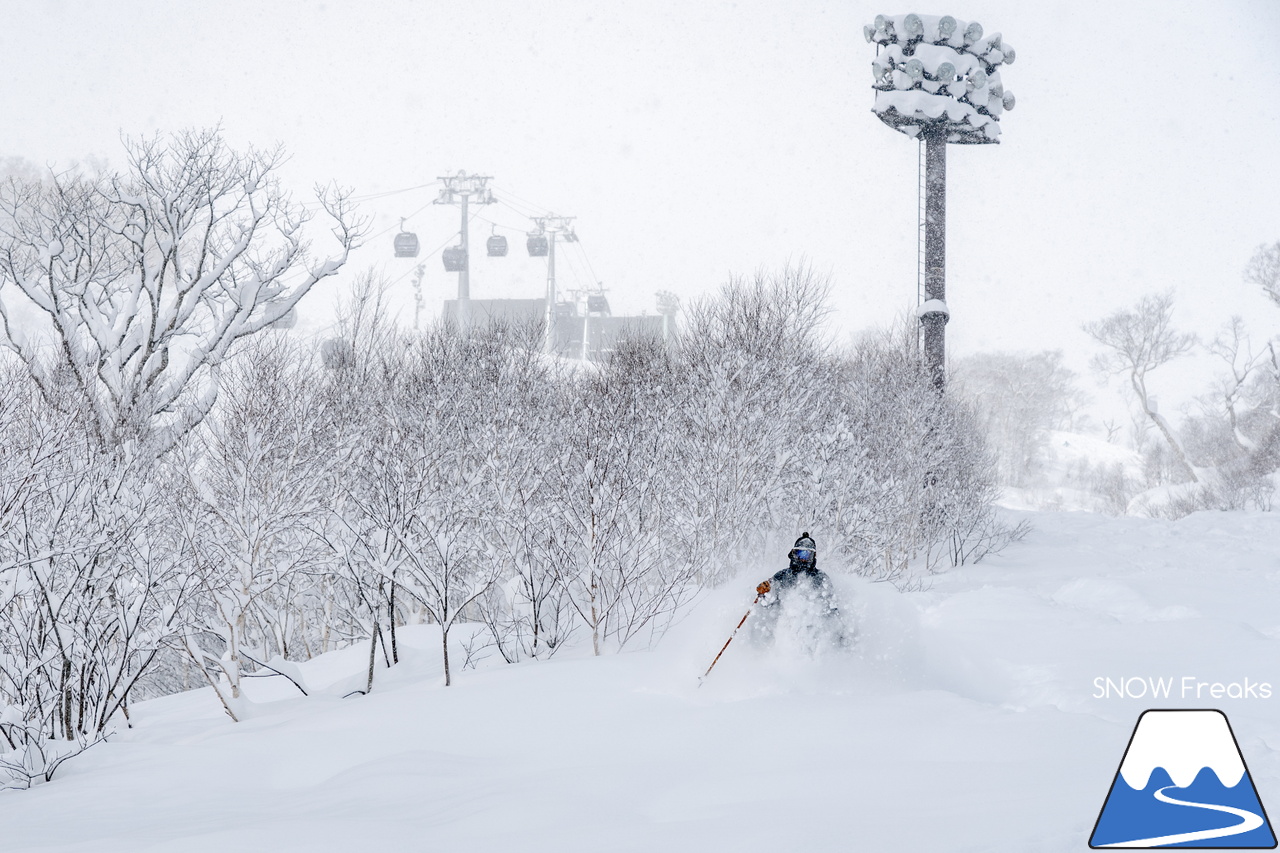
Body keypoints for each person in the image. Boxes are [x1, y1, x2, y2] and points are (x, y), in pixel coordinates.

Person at [752, 532, 846, 647]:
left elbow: (832, 608)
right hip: (784, 634)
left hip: (813, 637)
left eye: (807, 555)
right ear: (793, 553)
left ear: (813, 556)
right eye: (800, 553)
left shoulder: (821, 579)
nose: (803, 559)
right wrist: (763, 593)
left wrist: (839, 634)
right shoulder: (781, 576)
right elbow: (767, 604)